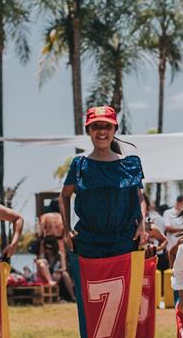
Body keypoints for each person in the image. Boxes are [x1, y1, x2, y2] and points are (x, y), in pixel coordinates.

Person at [59, 106, 147, 258]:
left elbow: (139, 198)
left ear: (115, 129)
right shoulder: (79, 165)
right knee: (89, 283)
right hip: (88, 244)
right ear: (88, 130)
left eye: (107, 126)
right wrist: (67, 230)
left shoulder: (130, 164)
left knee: (125, 283)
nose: (102, 131)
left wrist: (142, 224)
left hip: (125, 242)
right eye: (96, 126)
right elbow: (64, 197)